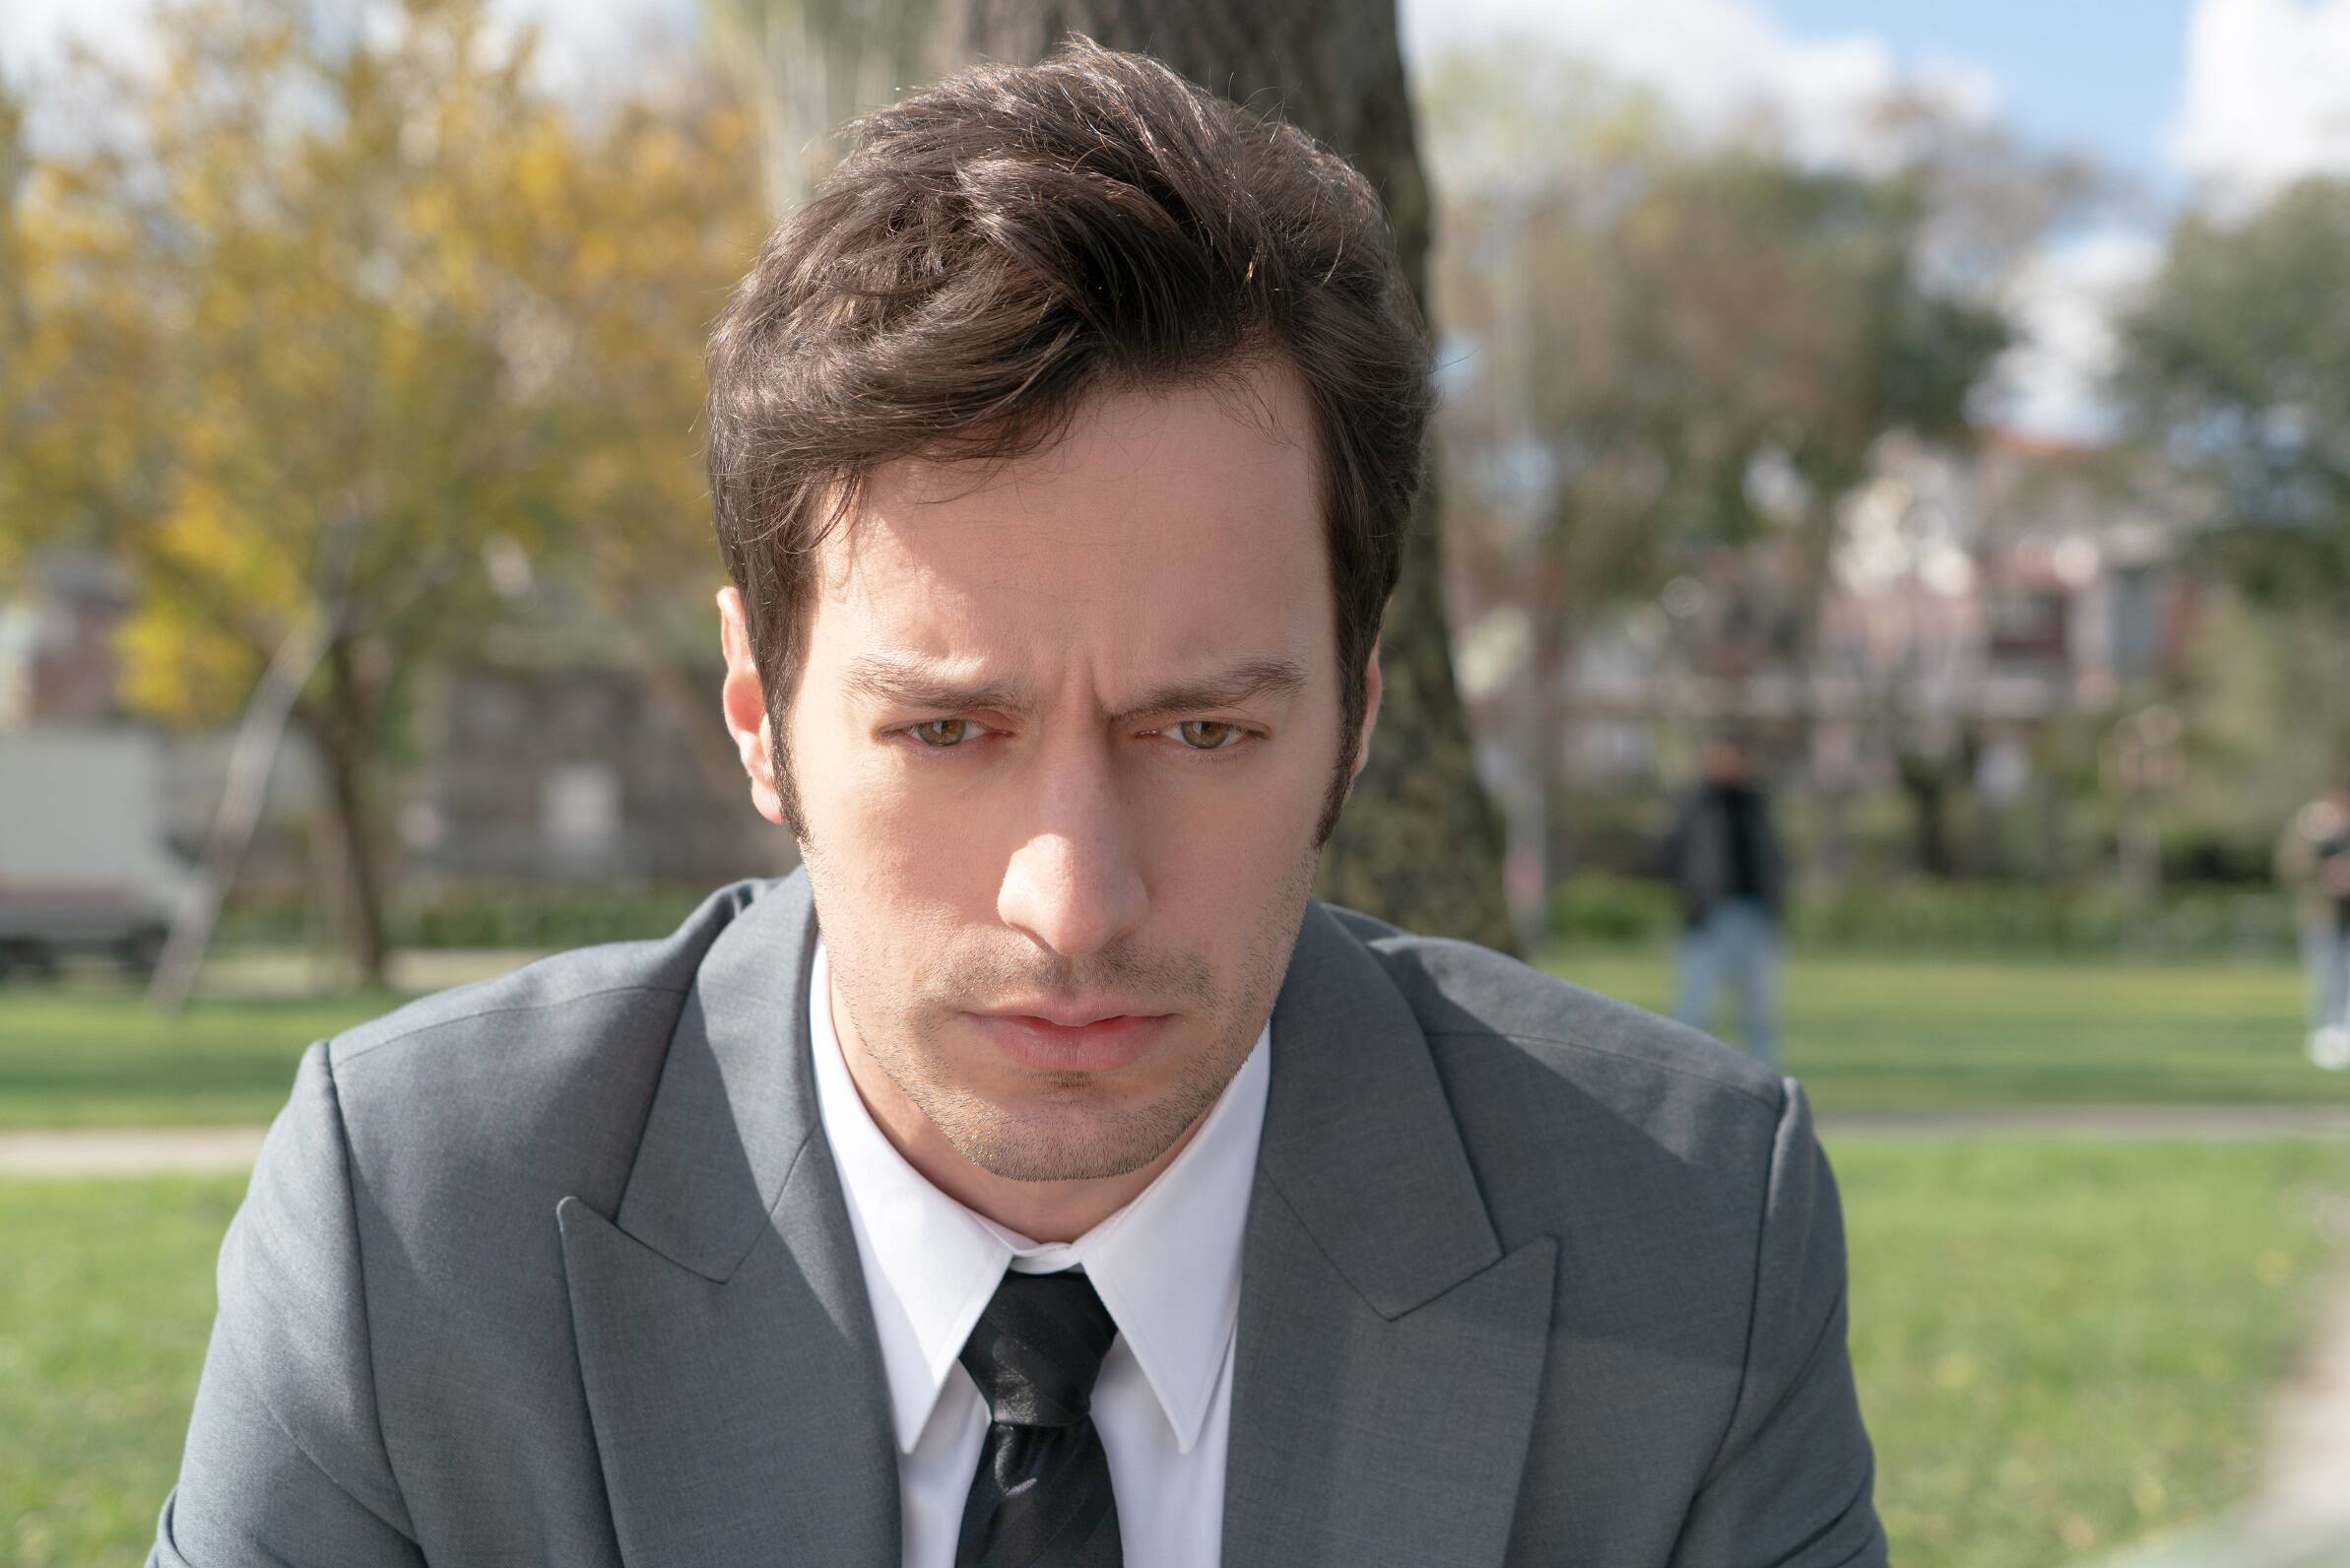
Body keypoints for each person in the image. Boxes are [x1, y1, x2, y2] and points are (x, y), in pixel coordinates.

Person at [151, 42, 1883, 1568]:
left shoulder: (1692, 1237)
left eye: (1199, 730)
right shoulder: (415, 1226)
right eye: (946, 731)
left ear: (1356, 720)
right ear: (759, 716)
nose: (1073, 903)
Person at [1661, 733, 1788, 1070]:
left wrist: (1775, 896)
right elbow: (1669, 855)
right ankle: (1683, 1072)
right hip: (1708, 917)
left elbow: (1773, 856)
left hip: (1755, 915)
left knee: (1758, 1009)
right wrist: (1693, 891)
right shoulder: (1694, 806)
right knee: (1693, 1005)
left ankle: (1765, 1076)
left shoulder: (1756, 805)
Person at [2274, 778, 2350, 1071]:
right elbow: (2290, 866)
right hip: (2322, 916)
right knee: (2327, 972)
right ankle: (2325, 1033)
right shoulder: (2310, 827)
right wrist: (2325, 873)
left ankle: (2343, 1030)